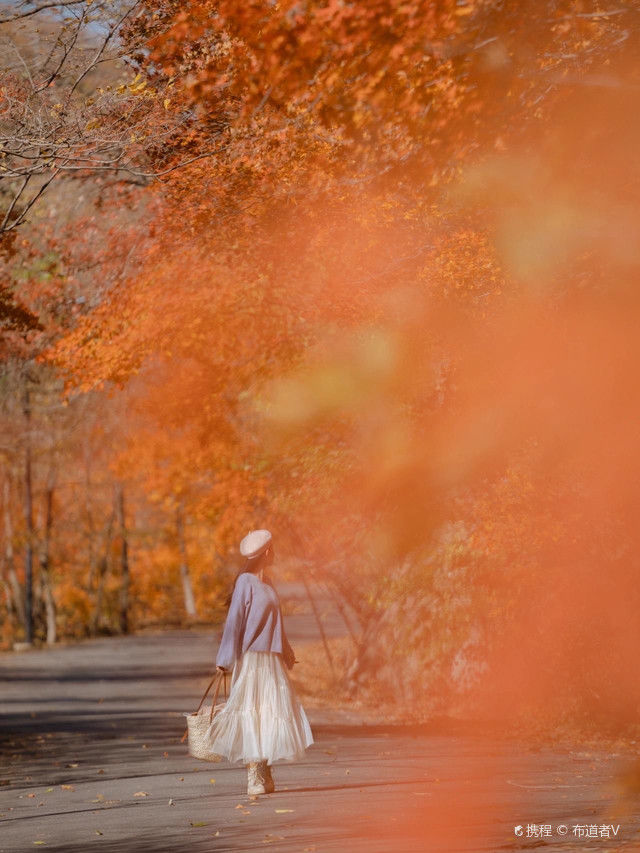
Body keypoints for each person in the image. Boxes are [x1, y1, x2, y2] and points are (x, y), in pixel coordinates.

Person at [206, 529, 314, 795]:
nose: (275, 553)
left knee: (269, 712)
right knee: (252, 711)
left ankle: (264, 769)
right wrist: (225, 660)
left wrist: (286, 650)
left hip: (272, 660)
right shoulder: (245, 582)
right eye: (273, 549)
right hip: (253, 659)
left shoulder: (268, 584)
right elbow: (234, 622)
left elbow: (277, 623)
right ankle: (253, 774)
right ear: (267, 552)